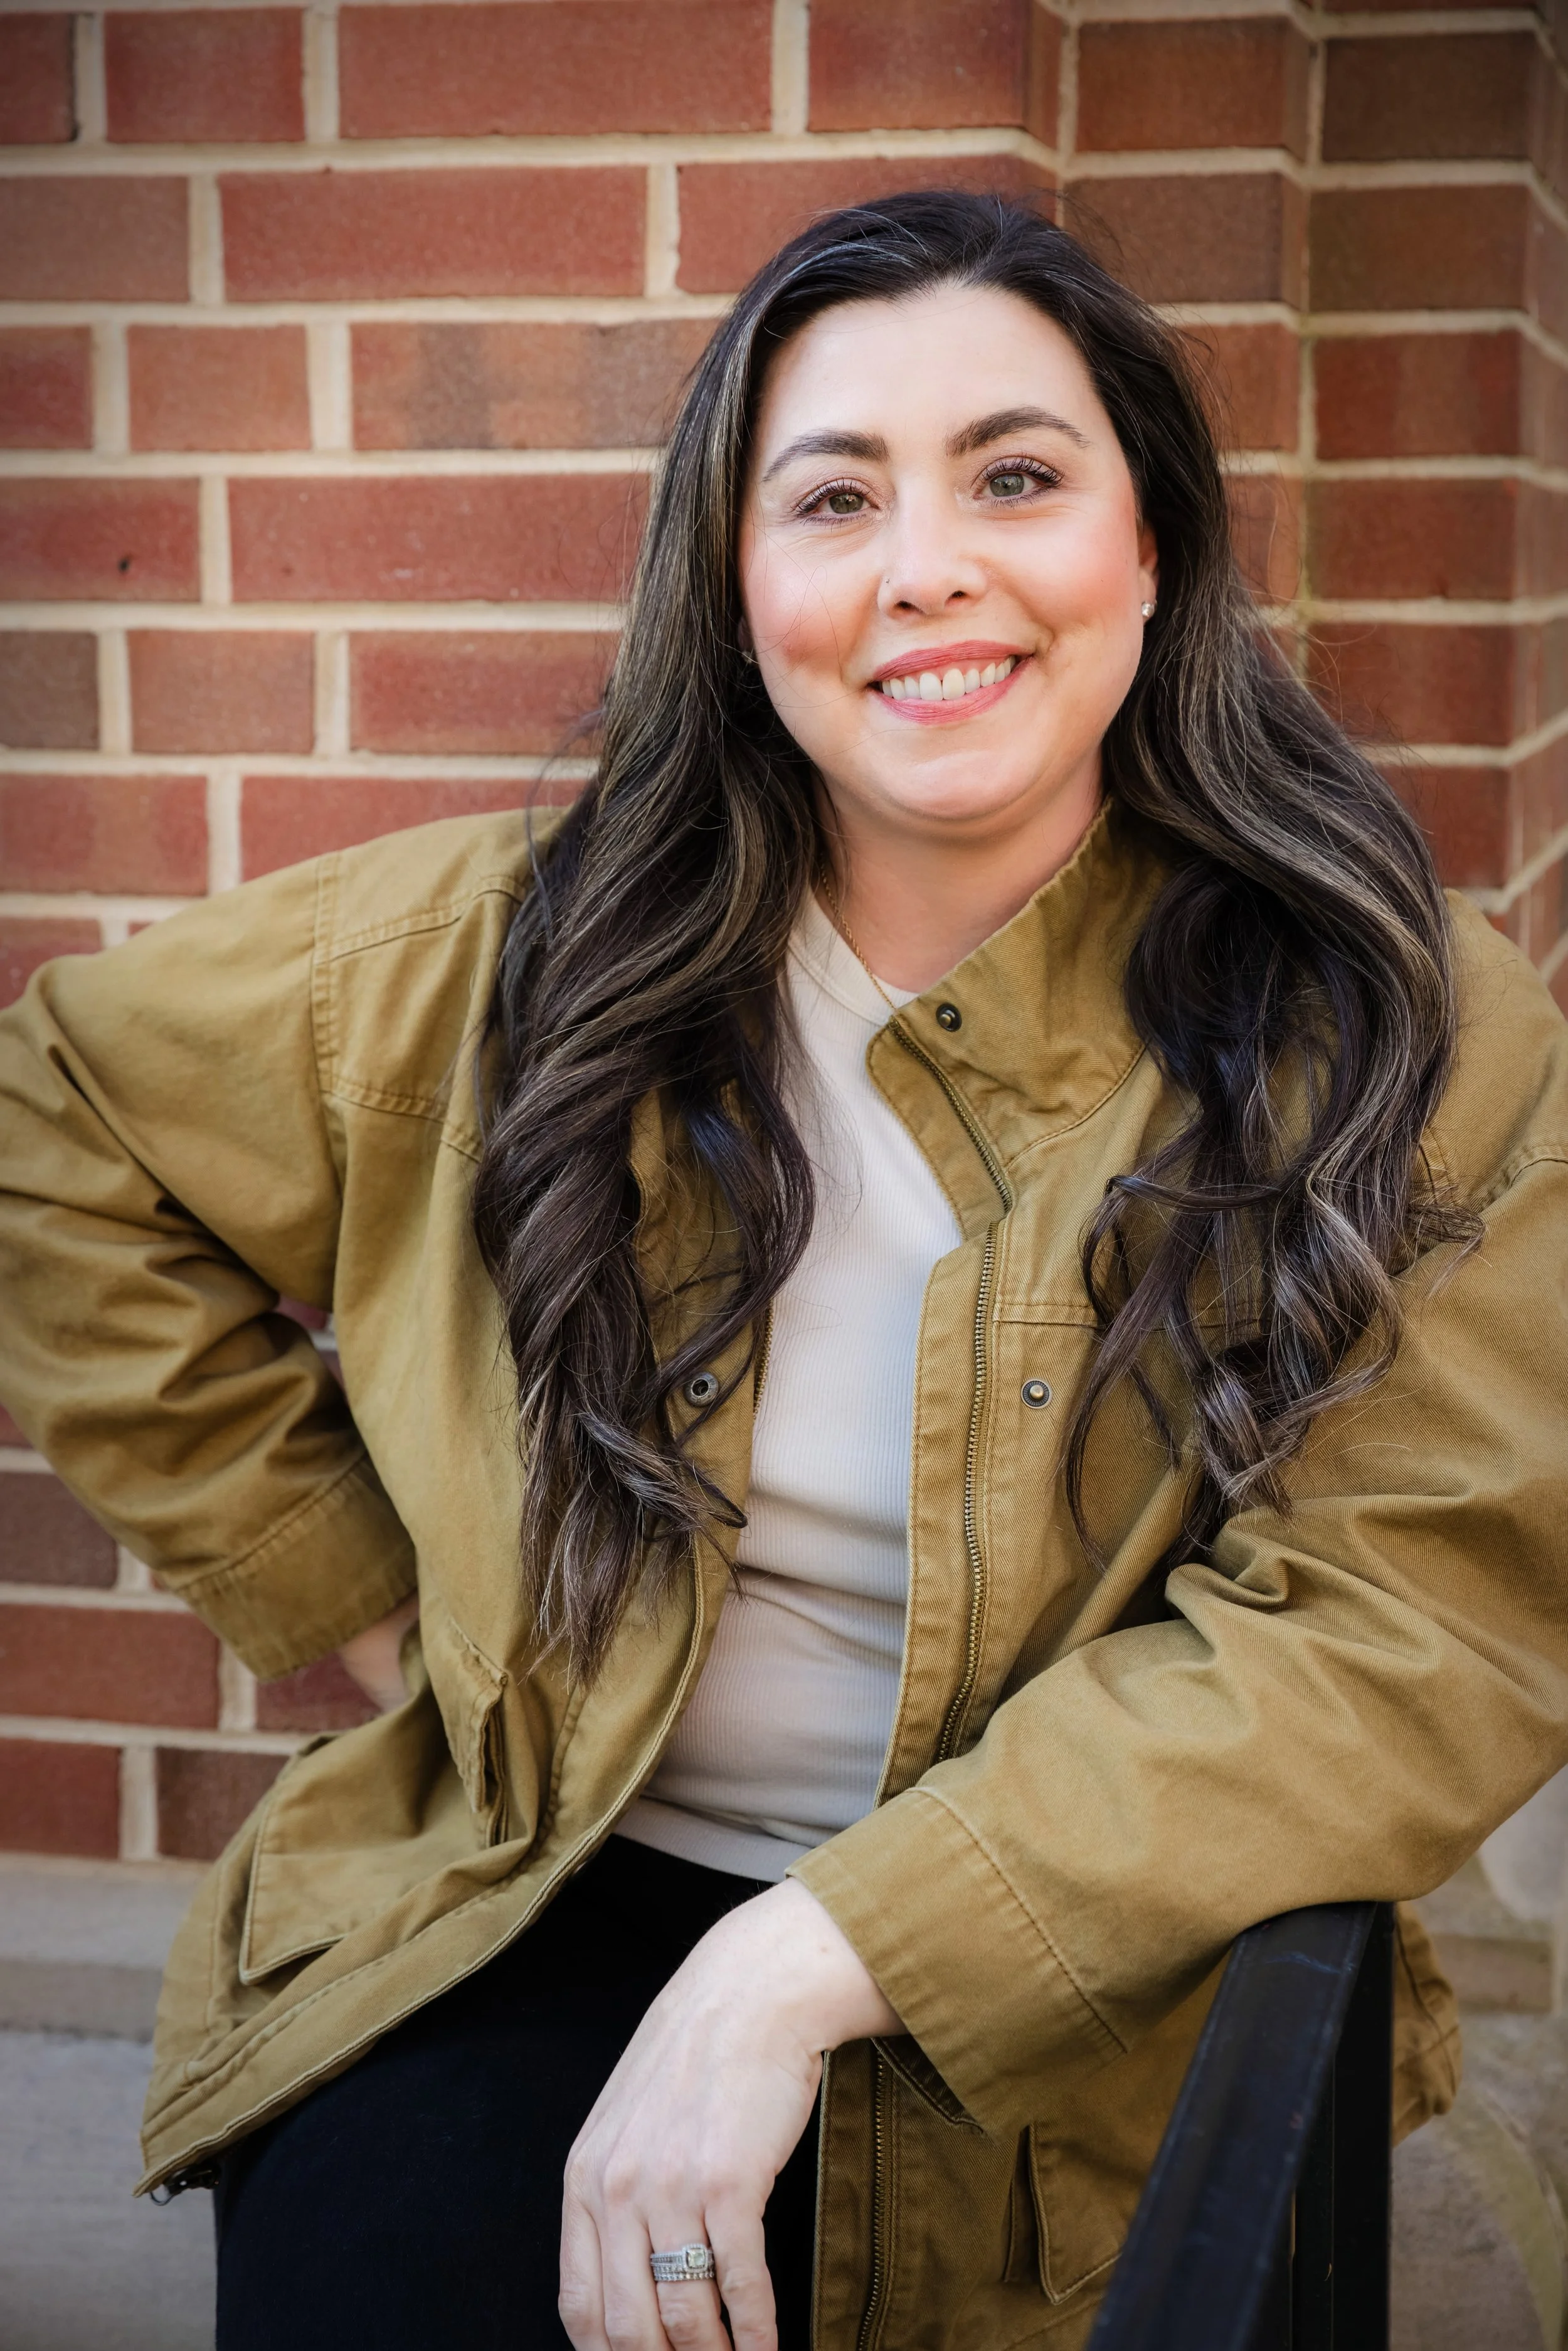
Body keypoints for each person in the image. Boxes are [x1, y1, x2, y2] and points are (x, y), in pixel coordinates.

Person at [1, 189, 1565, 2351]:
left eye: (1015, 475)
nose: (927, 560)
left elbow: (1413, 1625)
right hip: (527, 1884)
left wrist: (789, 1962)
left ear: (1151, 547)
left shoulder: (1399, 1026)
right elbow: (49, 1122)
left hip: (1079, 1976)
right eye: (832, 496)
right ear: (740, 596)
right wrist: (351, 1595)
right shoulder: (499, 956)